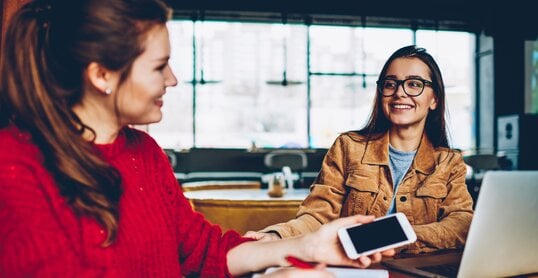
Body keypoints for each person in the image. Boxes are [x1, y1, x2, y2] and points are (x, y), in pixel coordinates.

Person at [0, 0, 395, 276]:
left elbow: (203, 251)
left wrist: (311, 246)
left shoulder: (144, 153)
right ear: (101, 74)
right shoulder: (15, 168)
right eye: (159, 67)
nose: (172, 79)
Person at [247, 45, 474, 254]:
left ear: (434, 99)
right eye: (390, 83)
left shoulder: (449, 162)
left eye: (414, 84)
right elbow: (317, 217)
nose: (400, 92)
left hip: (418, 269)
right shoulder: (348, 147)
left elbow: (461, 224)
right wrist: (275, 235)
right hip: (353, 269)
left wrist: (397, 234)